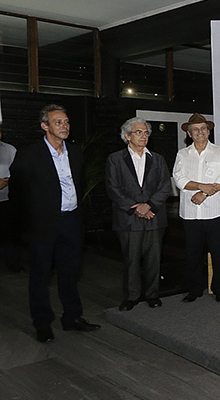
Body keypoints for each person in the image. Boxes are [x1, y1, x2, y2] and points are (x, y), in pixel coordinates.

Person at [9, 104, 100, 342]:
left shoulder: (75, 153)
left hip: (71, 221)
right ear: (44, 126)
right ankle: (42, 324)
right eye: (58, 122)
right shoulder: (29, 154)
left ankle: (72, 318)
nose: (65, 126)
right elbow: (17, 194)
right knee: (40, 277)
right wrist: (26, 225)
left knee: (70, 273)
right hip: (42, 225)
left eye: (67, 122)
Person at [106, 117, 172, 311]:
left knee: (154, 259)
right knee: (131, 260)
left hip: (154, 217)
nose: (144, 136)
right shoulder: (115, 159)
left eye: (146, 133)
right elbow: (113, 188)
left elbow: (165, 186)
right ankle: (131, 297)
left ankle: (152, 295)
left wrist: (149, 205)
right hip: (128, 219)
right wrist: (137, 207)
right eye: (139, 132)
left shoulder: (158, 159)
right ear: (127, 136)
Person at [173, 113, 220, 303]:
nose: (200, 132)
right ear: (189, 134)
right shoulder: (182, 154)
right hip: (190, 213)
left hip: (216, 211)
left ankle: (219, 289)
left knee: (218, 253)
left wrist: (205, 193)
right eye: (195, 129)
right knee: (192, 254)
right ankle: (194, 289)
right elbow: (179, 179)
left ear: (209, 131)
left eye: (203, 128)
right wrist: (200, 186)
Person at [0, 120, 21, 272]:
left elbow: (18, 172)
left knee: (9, 234)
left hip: (6, 200)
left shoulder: (10, 149)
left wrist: (8, 180)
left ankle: (13, 264)